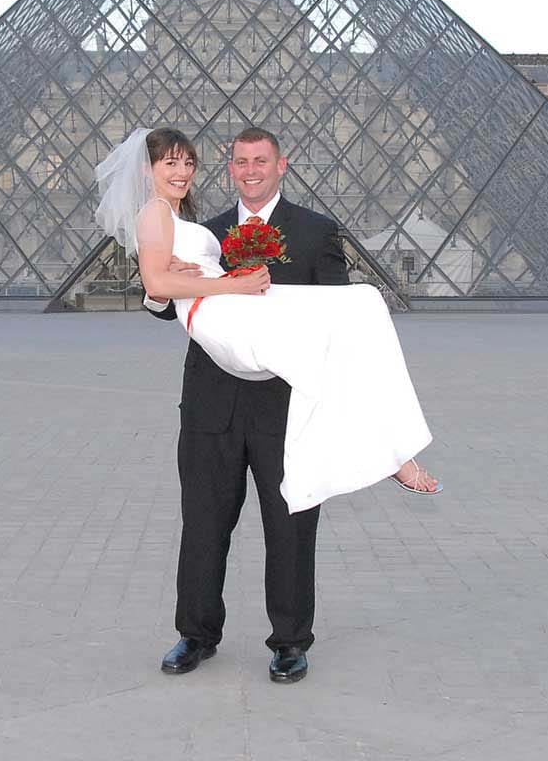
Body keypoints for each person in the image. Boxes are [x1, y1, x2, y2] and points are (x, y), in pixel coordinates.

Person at [95, 127, 438, 686]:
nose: (249, 170)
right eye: (239, 162)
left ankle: (290, 642)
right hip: (212, 401)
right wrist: (160, 289)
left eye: (260, 161)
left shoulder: (316, 230)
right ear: (229, 169)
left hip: (286, 402)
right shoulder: (204, 229)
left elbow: (331, 313)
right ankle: (196, 633)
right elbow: (162, 303)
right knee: (203, 525)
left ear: (282, 165)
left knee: (292, 525)